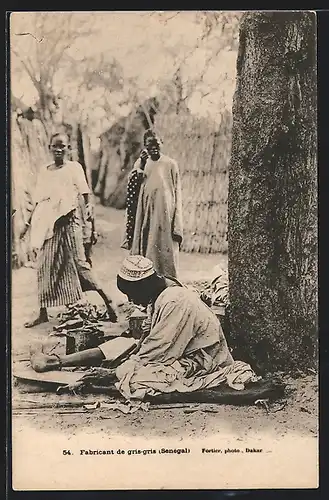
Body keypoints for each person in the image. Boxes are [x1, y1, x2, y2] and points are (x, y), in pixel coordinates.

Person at [22, 132, 117, 328]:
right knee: (44, 265)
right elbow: (40, 201)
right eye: (55, 146)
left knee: (80, 264)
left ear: (68, 148)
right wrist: (28, 225)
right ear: (49, 147)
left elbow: (85, 194)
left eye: (62, 146)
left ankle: (109, 301)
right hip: (50, 224)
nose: (58, 150)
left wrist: (90, 219)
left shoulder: (74, 168)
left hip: (70, 221)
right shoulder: (44, 171)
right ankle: (43, 312)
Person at [122, 129, 183, 279]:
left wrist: (177, 224)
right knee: (147, 249)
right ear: (144, 146)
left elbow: (177, 193)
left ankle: (167, 282)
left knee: (165, 250)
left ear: (162, 143)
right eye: (149, 145)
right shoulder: (142, 163)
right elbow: (132, 188)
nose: (153, 148)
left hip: (165, 215)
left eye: (156, 144)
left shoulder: (170, 164)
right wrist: (141, 165)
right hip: (146, 214)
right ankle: (147, 283)